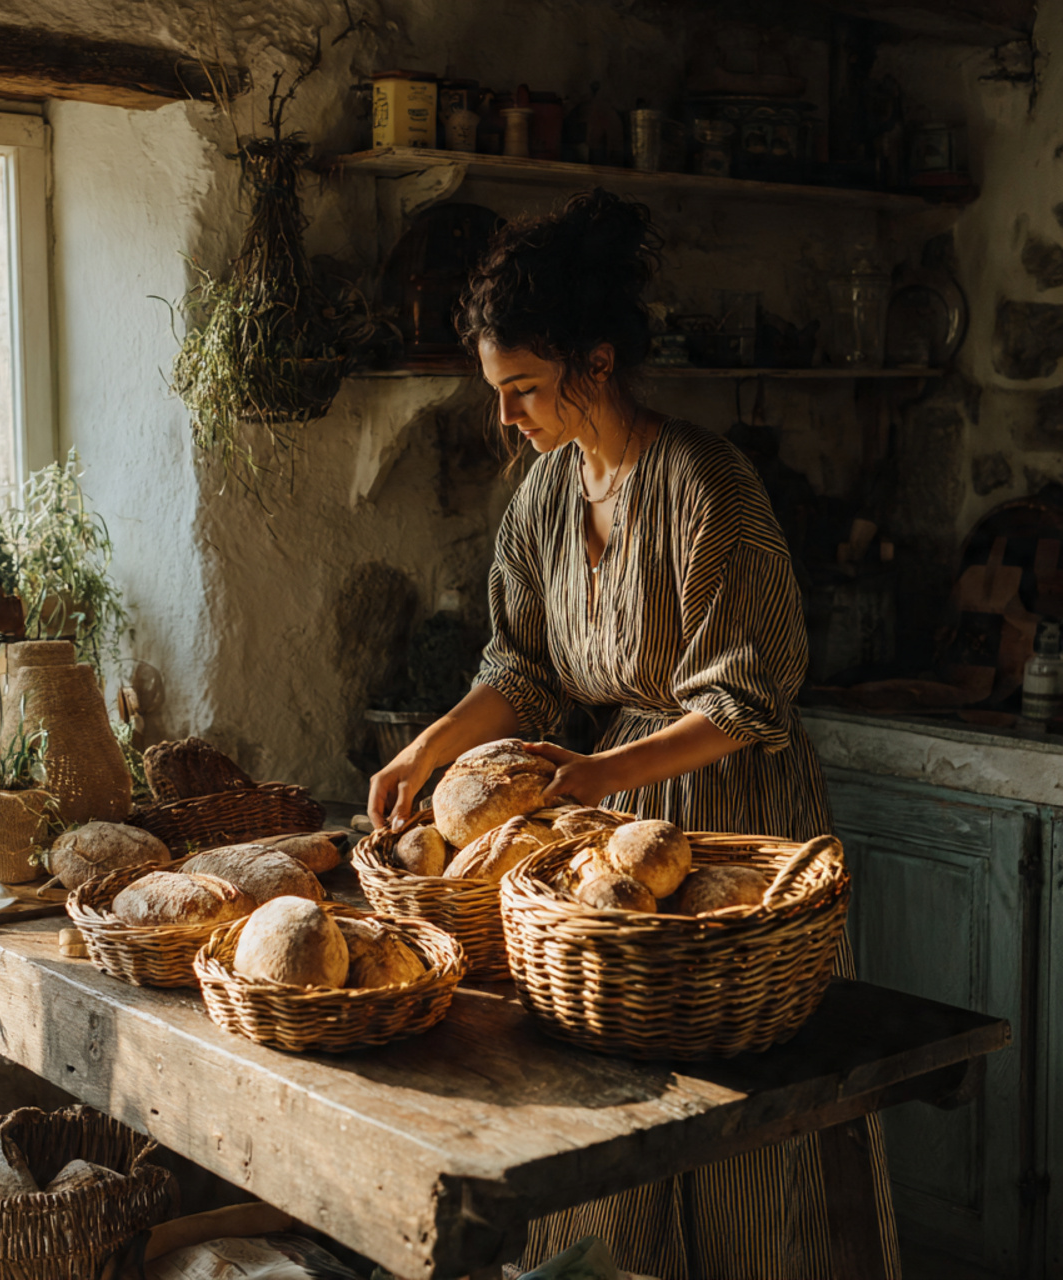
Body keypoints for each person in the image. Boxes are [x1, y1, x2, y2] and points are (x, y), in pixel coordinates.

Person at [367, 189, 901, 1280]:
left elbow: (747, 697)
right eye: (498, 392)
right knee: (617, 1107)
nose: (506, 416)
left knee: (740, 1110)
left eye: (522, 388)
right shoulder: (543, 498)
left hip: (727, 822)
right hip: (604, 832)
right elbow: (521, 670)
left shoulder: (707, 485)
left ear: (596, 363)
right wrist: (431, 746)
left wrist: (602, 770)